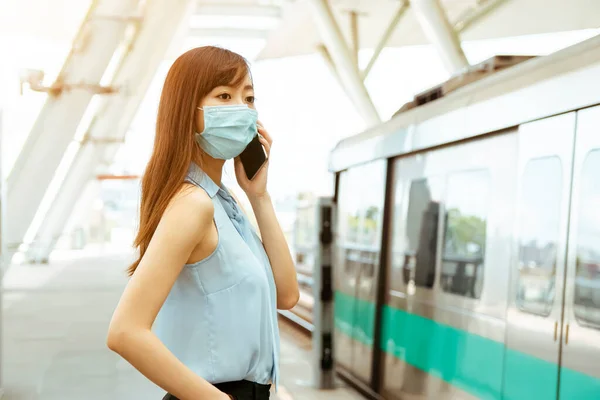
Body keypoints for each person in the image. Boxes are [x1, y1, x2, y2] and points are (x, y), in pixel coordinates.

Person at [106, 46, 300, 400]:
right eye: (224, 96)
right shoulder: (193, 204)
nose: (241, 109)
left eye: (249, 97)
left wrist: (259, 196)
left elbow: (286, 295)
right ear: (187, 112)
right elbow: (125, 331)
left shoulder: (225, 202)